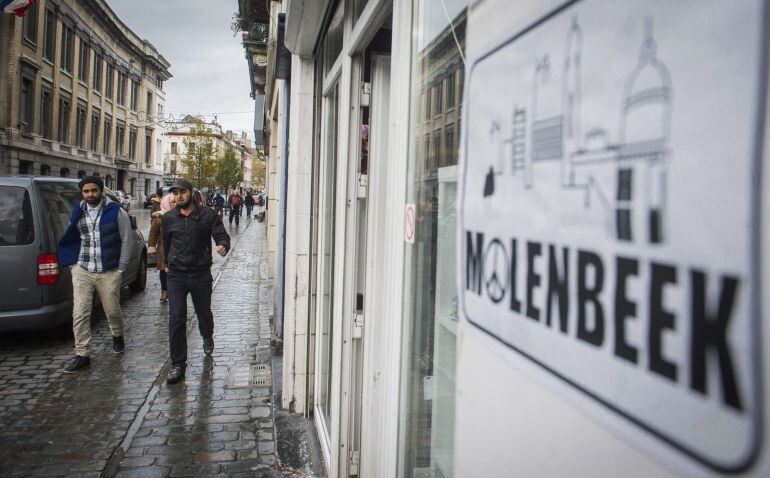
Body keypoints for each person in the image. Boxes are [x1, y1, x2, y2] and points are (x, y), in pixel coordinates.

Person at [57, 176, 132, 373]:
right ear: (82, 193)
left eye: (94, 191)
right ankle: (82, 355)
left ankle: (117, 334)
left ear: (101, 191)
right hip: (83, 268)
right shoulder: (78, 211)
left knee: (112, 310)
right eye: (86, 191)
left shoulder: (116, 211)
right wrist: (72, 264)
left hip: (108, 271)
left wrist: (121, 269)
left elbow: (126, 240)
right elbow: (71, 236)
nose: (91, 195)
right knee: (80, 312)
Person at [162, 179, 230, 384]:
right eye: (175, 193)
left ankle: (207, 335)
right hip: (176, 275)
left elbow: (221, 235)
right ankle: (178, 364)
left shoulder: (207, 215)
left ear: (191, 193)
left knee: (203, 312)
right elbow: (166, 243)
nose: (178, 196)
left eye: (182, 192)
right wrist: (167, 263)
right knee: (176, 318)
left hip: (200, 274)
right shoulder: (169, 218)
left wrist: (222, 245)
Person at [147, 193, 176, 302]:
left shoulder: (181, 214)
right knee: (164, 271)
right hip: (163, 248)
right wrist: (151, 247)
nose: (175, 204)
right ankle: (164, 291)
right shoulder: (159, 216)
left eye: (176, 202)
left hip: (177, 248)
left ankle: (174, 291)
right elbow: (153, 233)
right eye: (172, 202)